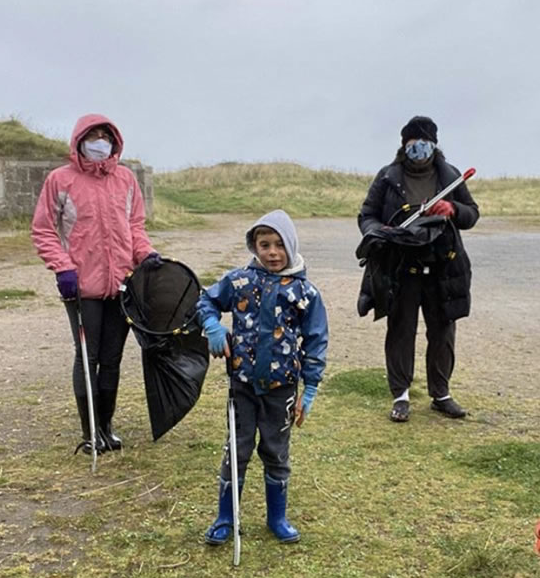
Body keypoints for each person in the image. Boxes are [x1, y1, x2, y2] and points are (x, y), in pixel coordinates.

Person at [31, 114, 162, 456]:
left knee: (112, 358)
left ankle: (106, 426)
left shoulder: (126, 179)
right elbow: (43, 229)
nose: (100, 141)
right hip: (81, 289)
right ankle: (89, 431)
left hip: (120, 285)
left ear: (114, 141)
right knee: (88, 357)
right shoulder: (60, 180)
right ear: (80, 140)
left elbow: (135, 227)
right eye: (93, 135)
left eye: (106, 135)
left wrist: (146, 254)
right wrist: (62, 268)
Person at [198, 210, 328, 545]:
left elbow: (316, 340)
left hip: (281, 389)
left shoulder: (305, 292)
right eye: (264, 244)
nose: (272, 252)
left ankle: (277, 517)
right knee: (236, 450)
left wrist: (309, 388)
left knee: (276, 452)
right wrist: (212, 325)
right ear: (254, 246)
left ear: (291, 245)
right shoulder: (239, 280)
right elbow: (206, 300)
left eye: (279, 245)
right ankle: (226, 517)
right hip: (241, 385)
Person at [358, 116, 479, 423]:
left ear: (434, 145)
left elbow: (472, 214)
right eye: (412, 144)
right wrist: (380, 233)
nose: (418, 149)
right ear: (404, 146)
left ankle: (441, 394)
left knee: (442, 333)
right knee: (400, 332)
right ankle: (400, 396)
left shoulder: (450, 176)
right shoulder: (388, 177)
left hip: (442, 268)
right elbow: (367, 215)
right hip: (401, 268)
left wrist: (453, 209)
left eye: (424, 144)